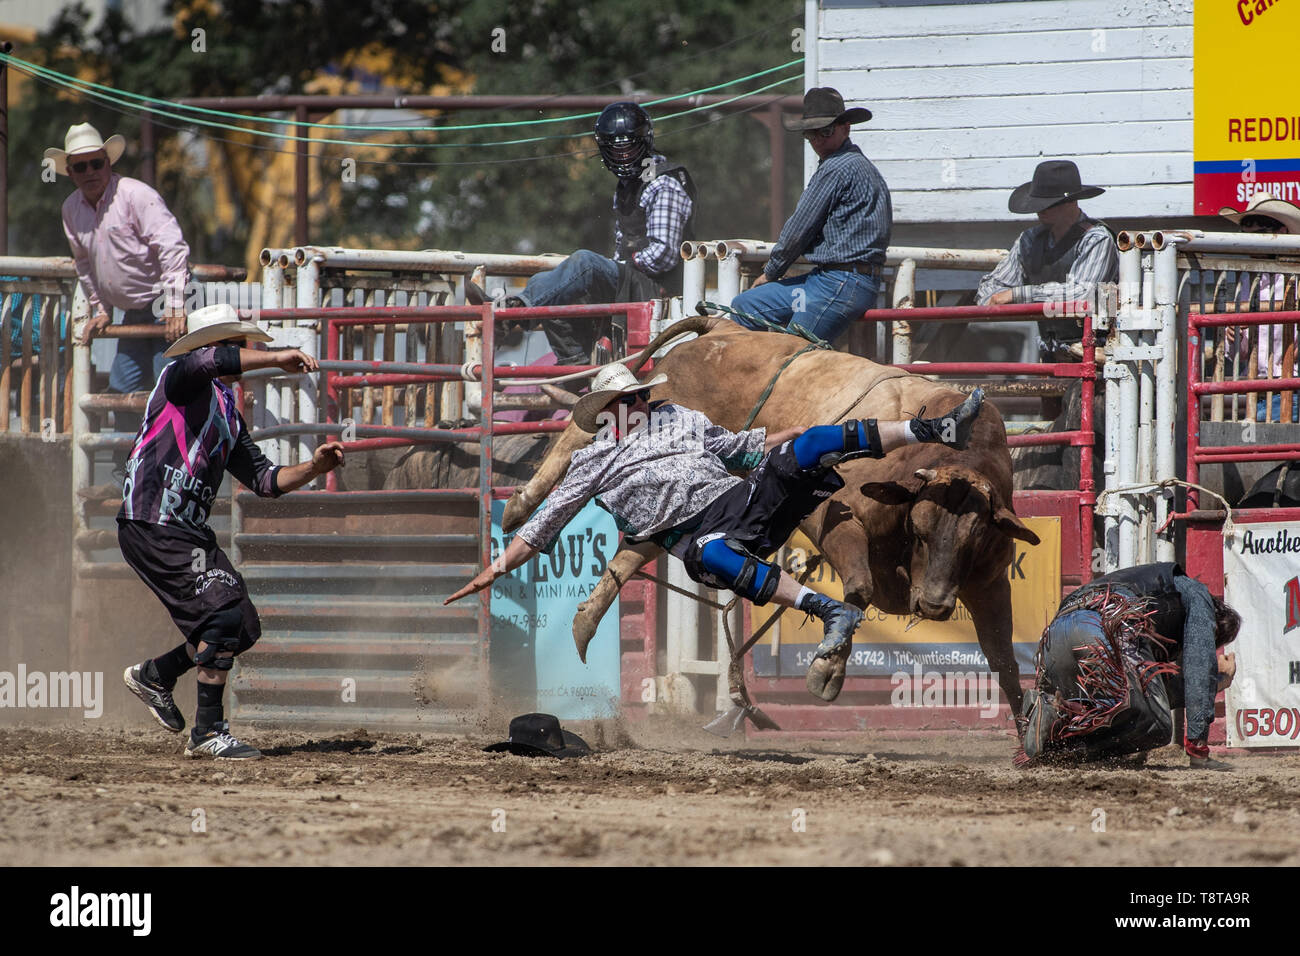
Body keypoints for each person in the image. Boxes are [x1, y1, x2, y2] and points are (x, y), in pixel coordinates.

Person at [445, 361, 985, 699]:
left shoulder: (677, 417)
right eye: (626, 400)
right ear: (608, 412)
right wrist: (493, 569)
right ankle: (832, 613)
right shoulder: (589, 463)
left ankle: (934, 427)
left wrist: (785, 436)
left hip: (740, 499)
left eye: (637, 396)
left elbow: (736, 448)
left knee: (813, 442)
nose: (637, 404)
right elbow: (544, 525)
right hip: (699, 534)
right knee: (710, 552)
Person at [119, 304, 345, 759]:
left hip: (187, 531)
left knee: (240, 624)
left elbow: (265, 479)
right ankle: (207, 732)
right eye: (235, 344)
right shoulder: (179, 378)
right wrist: (278, 357)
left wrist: (314, 468)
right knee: (221, 615)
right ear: (213, 347)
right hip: (154, 522)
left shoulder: (227, 410)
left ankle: (157, 674)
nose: (241, 352)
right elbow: (209, 363)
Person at [467, 102, 696, 367]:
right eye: (614, 149)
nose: (622, 156)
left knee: (583, 263)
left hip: (658, 288)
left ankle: (511, 316)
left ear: (644, 142)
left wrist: (614, 267)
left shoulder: (662, 184)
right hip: (632, 282)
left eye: (628, 147)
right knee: (554, 284)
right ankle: (572, 361)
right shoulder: (628, 186)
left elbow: (664, 255)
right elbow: (623, 244)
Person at [1020, 563, 1240, 769]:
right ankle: (1064, 751)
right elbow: (1198, 666)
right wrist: (1198, 748)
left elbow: (1158, 694)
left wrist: (1218, 683)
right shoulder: (1199, 597)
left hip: (1055, 638)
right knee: (1157, 725)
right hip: (1106, 625)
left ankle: (1051, 728)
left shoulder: (1155, 591)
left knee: (1115, 708)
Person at [725, 87, 890, 344]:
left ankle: (768, 376)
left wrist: (771, 272)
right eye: (811, 134)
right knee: (745, 306)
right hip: (835, 280)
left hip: (839, 283)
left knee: (791, 352)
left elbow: (798, 229)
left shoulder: (837, 169)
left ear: (845, 128)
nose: (818, 140)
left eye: (825, 131)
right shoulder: (857, 166)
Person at [49, 124, 192, 417]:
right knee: (123, 391)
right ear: (70, 171)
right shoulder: (71, 209)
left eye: (96, 163)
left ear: (108, 162)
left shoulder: (135, 195)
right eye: (81, 165)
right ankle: (125, 462)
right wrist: (101, 309)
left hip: (165, 306)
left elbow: (172, 246)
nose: (90, 171)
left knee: (169, 391)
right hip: (135, 313)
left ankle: (176, 460)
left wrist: (176, 306)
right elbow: (84, 263)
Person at [976, 160, 1118, 362]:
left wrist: (1016, 295)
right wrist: (996, 297)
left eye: (1050, 204)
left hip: (1098, 353)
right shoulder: (1029, 240)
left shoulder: (1096, 239)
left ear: (1071, 202)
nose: (1041, 210)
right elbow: (990, 288)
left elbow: (1082, 294)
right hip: (1051, 352)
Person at [1217, 194, 1300, 423]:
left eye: (1259, 234)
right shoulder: (1250, 280)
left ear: (1282, 232)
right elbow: (1242, 353)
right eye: (1247, 236)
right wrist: (1235, 333)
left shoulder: (1295, 278)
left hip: (1289, 388)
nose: (1251, 243)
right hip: (1258, 387)